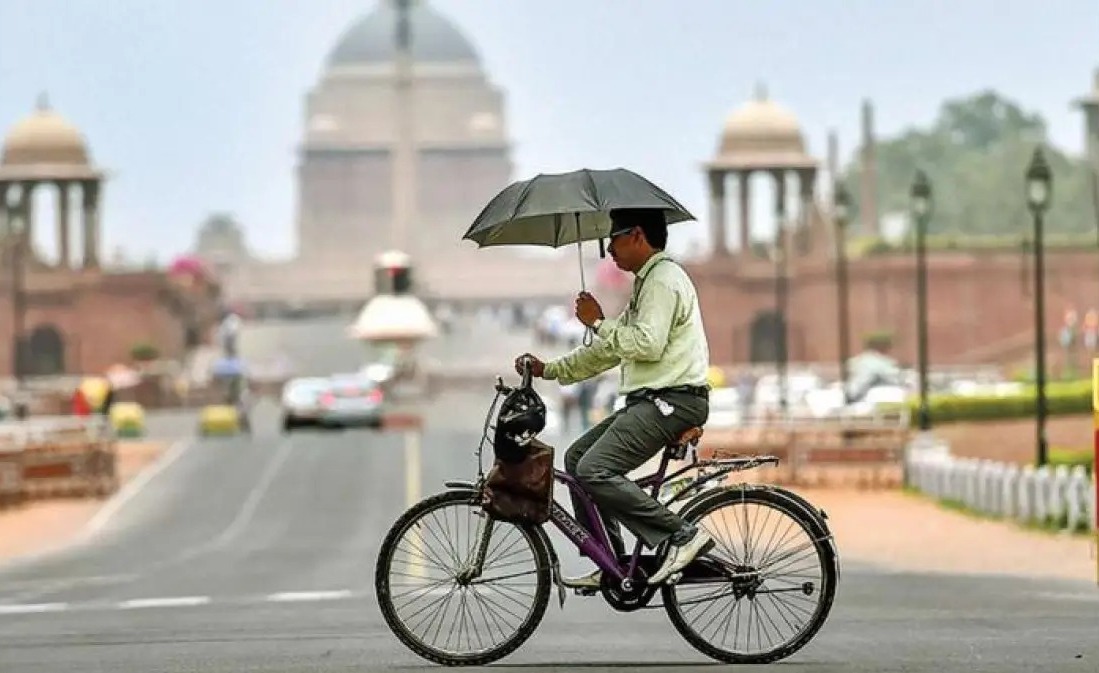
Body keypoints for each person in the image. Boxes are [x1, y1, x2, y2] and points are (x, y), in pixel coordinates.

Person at [515, 207, 713, 589]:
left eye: (613, 239)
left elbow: (647, 344)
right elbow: (608, 351)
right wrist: (549, 369)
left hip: (673, 401)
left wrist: (597, 322)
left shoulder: (663, 279)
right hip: (653, 401)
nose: (608, 250)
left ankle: (682, 534)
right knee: (576, 459)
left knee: (593, 470)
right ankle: (612, 560)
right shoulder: (646, 283)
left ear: (637, 235)